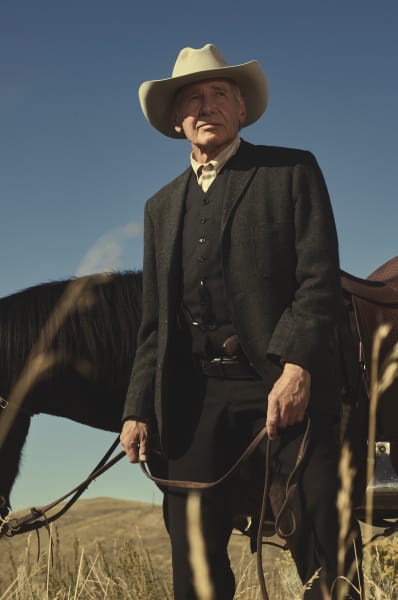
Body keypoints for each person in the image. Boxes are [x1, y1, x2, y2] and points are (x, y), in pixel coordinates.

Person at [120, 43, 362, 599]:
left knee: (321, 528)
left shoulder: (291, 170)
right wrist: (136, 409)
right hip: (196, 392)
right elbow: (155, 323)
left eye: (219, 94)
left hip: (277, 377)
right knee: (192, 555)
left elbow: (318, 278)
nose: (207, 107)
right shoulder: (160, 207)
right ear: (178, 122)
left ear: (242, 109)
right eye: (193, 100)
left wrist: (298, 366)